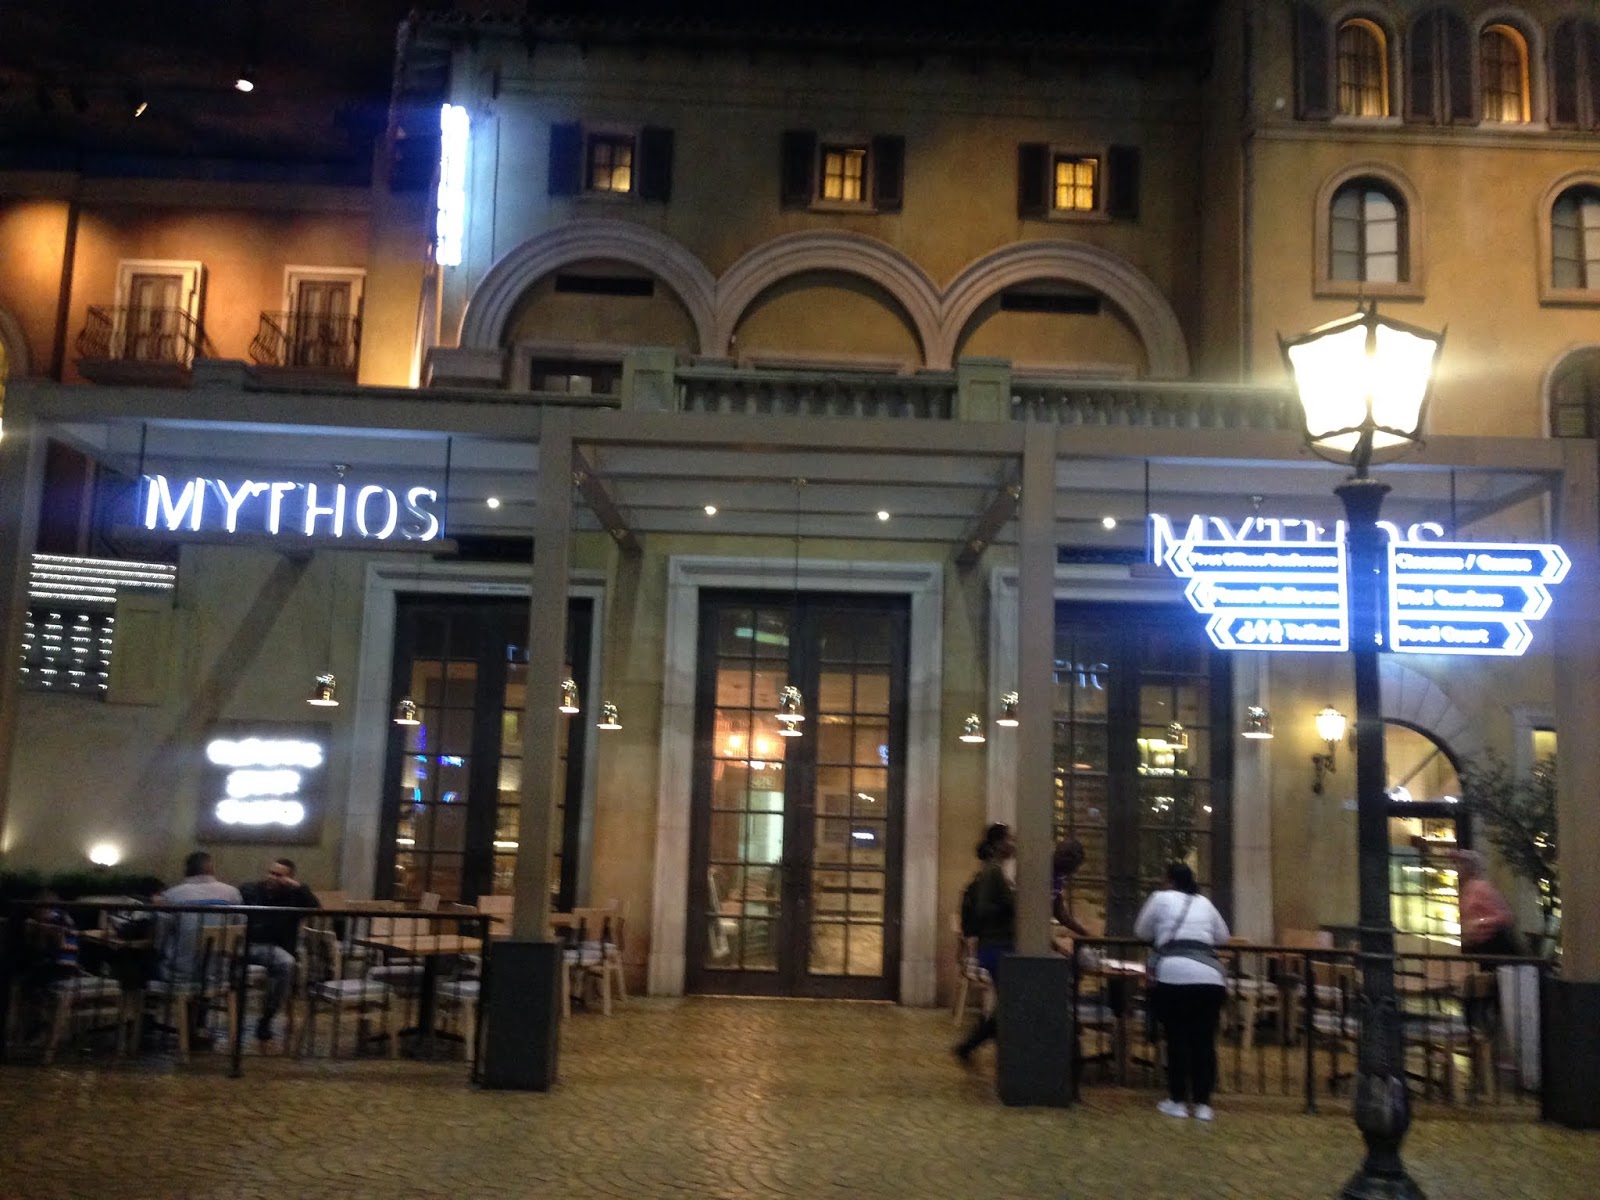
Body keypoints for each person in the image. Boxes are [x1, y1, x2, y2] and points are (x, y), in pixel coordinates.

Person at [1135, 861, 1229, 1121]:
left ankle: (1176, 1100)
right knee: (1204, 1041)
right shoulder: (1205, 903)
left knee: (1176, 1038)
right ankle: (1203, 1104)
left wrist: (1162, 934)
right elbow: (1223, 937)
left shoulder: (1160, 898)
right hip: (1210, 978)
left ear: (1169, 881)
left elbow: (1141, 931)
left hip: (1173, 974)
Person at [156, 851, 243, 1040]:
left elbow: (159, 937)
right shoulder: (232, 894)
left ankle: (141, 1026)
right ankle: (198, 1025)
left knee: (140, 968)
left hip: (180, 975)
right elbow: (240, 929)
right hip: (220, 974)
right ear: (211, 868)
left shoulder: (172, 896)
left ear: (186, 869)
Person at [953, 822, 1016, 1063]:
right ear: (998, 844)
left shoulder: (994, 871)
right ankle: (972, 1044)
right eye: (1010, 839)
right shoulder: (993, 872)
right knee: (1009, 1001)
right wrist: (1010, 905)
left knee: (1008, 1001)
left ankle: (974, 1045)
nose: (1013, 844)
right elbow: (983, 908)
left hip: (995, 945)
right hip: (996, 946)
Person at [238, 857, 319, 1041]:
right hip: (246, 944)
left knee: (285, 964)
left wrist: (298, 887)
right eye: (271, 872)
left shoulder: (294, 896)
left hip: (276, 948)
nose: (272, 877)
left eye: (278, 875)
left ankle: (266, 1019)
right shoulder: (251, 890)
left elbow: (314, 907)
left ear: (289, 879)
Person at [1457, 849, 1520, 963]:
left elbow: (1505, 916)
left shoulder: (1481, 888)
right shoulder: (1467, 888)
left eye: (1462, 865)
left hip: (1492, 944)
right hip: (1479, 944)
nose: (1459, 868)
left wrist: (1480, 923)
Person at [1052, 839, 1089, 937]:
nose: (1076, 870)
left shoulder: (1058, 875)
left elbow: (1060, 913)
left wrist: (1085, 934)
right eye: (1075, 867)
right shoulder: (1046, 874)